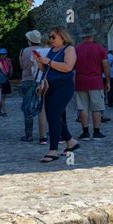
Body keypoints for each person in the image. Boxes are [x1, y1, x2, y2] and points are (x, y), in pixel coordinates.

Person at [35, 27, 79, 163]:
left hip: (63, 87)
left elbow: (68, 67)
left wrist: (48, 62)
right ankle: (71, 141)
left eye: (53, 37)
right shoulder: (51, 51)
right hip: (50, 87)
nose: (51, 40)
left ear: (62, 36)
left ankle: (53, 150)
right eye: (50, 37)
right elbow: (47, 69)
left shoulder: (69, 49)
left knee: (53, 116)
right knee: (52, 116)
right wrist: (40, 62)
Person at [74, 28, 110, 141]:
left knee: (82, 107)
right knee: (96, 108)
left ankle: (85, 132)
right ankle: (96, 132)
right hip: (96, 81)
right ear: (93, 36)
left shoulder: (77, 49)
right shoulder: (100, 48)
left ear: (83, 36)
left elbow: (73, 66)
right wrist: (108, 81)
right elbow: (105, 65)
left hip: (80, 80)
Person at [19, 30, 48, 144]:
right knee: (44, 108)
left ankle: (29, 134)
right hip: (41, 80)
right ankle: (46, 132)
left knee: (28, 108)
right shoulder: (43, 51)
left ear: (29, 41)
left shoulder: (24, 51)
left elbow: (22, 66)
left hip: (27, 80)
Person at [0, 48, 13, 116]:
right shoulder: (8, 60)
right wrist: (10, 76)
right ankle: (1, 111)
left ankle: (4, 111)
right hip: (6, 79)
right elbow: (11, 68)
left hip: (1, 80)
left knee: (1, 97)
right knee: (3, 97)